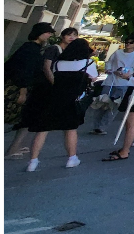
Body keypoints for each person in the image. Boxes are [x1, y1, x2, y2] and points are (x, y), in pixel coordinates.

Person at [23, 38, 98, 171]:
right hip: (72, 101)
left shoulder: (59, 63)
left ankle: (33, 161)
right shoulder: (88, 63)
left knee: (42, 130)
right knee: (70, 129)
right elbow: (94, 78)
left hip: (53, 98)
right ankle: (71, 158)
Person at [4, 22, 55, 159]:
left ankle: (15, 147)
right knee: (22, 118)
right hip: (17, 89)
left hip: (21, 87)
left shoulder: (31, 47)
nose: (49, 35)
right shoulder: (31, 49)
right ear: (40, 33)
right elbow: (25, 71)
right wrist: (23, 92)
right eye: (47, 32)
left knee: (24, 119)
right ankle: (13, 149)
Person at [92, 37, 134, 135]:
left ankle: (102, 127)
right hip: (111, 80)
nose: (128, 44)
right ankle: (96, 126)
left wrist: (127, 74)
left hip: (124, 82)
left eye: (131, 42)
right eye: (126, 42)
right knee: (102, 102)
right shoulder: (118, 52)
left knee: (114, 105)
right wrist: (110, 70)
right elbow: (109, 62)